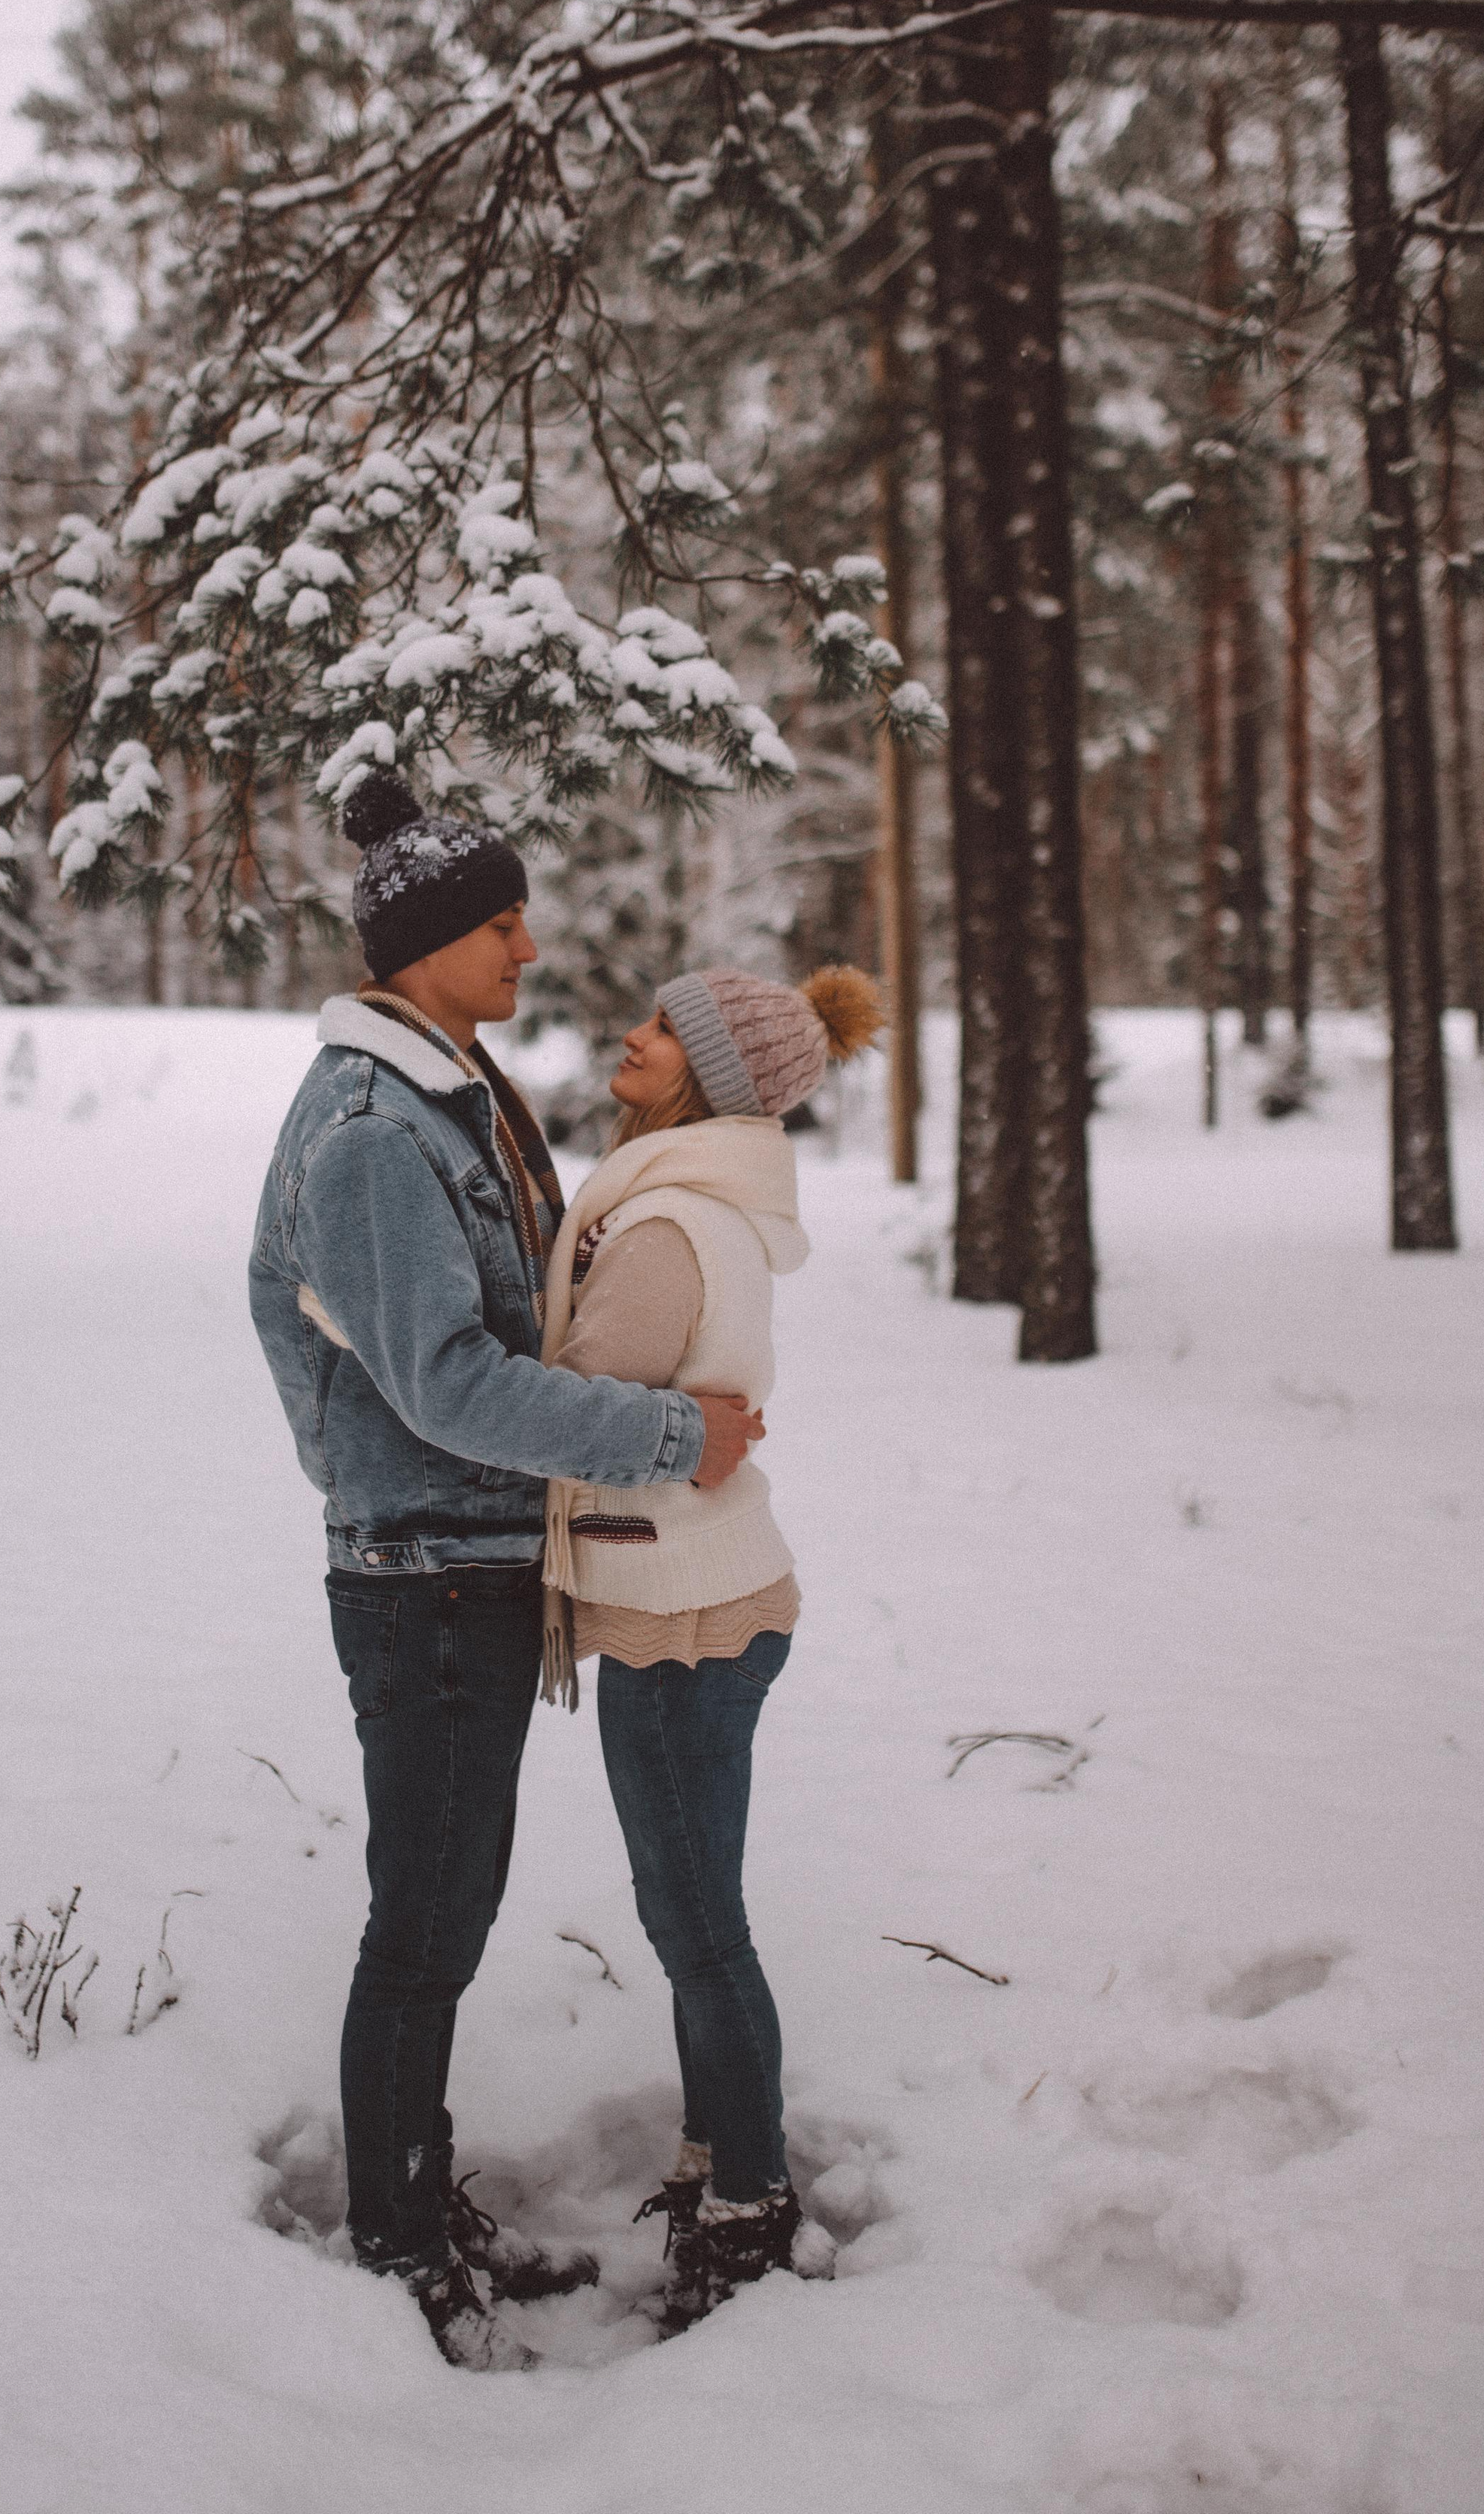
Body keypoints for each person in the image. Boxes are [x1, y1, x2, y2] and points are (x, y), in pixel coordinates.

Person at [247, 769, 766, 2370]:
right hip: (424, 1575)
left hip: (473, 1559)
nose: (528, 946)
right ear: (417, 944)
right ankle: (397, 2245)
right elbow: (451, 1383)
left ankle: (412, 2215)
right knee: (424, 1923)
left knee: (441, 1909)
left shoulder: (451, 1087)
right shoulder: (366, 1134)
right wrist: (667, 1434)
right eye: (496, 922)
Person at [540, 961, 881, 2333]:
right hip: (704, 1598)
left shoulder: (672, 1222)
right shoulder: (687, 1200)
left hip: (686, 1619)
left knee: (695, 1925)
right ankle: (718, 2157)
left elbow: (564, 1405)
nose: (635, 1033)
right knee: (695, 1915)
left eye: (666, 1028)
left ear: (713, 1080)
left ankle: (748, 2197)